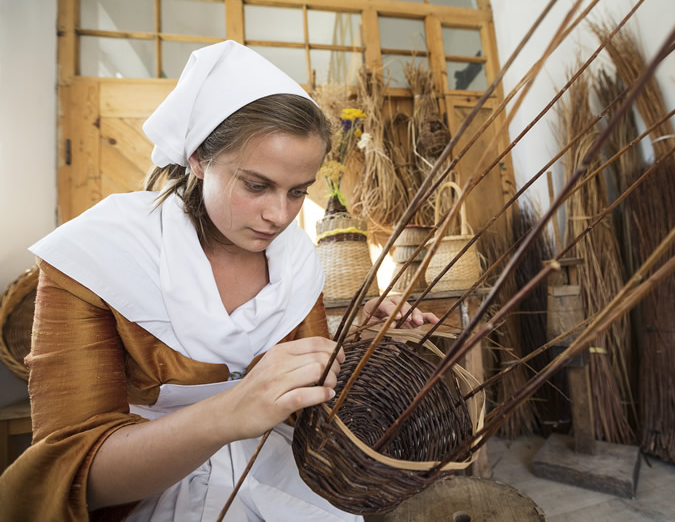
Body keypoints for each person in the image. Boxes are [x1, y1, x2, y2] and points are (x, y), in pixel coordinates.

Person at [0, 40, 437, 521]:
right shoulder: (96, 257)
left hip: (278, 470)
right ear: (199, 159)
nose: (279, 215)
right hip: (143, 487)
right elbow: (73, 473)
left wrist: (360, 341)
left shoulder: (296, 260)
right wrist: (231, 412)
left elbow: (309, 396)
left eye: (298, 192)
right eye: (256, 185)